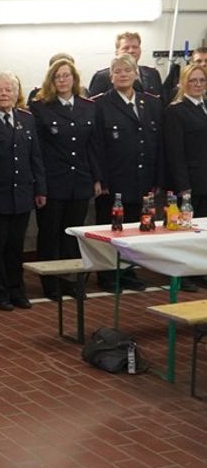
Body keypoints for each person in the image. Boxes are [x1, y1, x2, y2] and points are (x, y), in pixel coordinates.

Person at [29, 58, 102, 300]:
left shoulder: (88, 106)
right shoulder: (40, 107)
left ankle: (70, 281)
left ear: (74, 78)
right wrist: (40, 185)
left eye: (66, 75)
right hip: (53, 181)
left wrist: (97, 178)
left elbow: (93, 146)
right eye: (57, 76)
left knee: (72, 234)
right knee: (50, 233)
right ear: (51, 80)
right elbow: (36, 151)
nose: (62, 80)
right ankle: (51, 284)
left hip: (79, 179)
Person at [92, 54, 163, 292]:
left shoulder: (151, 103)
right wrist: (101, 179)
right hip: (114, 181)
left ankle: (128, 271)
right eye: (117, 71)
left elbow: (157, 144)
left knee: (134, 228)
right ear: (110, 77)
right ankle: (108, 274)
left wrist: (157, 179)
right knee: (111, 228)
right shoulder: (100, 104)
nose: (122, 75)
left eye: (127, 70)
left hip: (142, 180)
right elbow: (97, 146)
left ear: (136, 74)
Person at [0, 73, 47, 310]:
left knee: (15, 247)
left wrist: (40, 188)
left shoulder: (26, 119)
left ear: (16, 94)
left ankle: (16, 290)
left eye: (9, 90)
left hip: (23, 193)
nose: (5, 94)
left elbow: (35, 156)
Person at [162, 63, 207, 288]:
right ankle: (181, 276)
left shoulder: (204, 107)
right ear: (184, 84)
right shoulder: (176, 111)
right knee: (183, 231)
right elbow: (175, 152)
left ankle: (199, 270)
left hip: (205, 180)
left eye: (202, 80)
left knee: (202, 231)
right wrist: (183, 186)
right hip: (188, 181)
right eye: (193, 81)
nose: (198, 85)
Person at [88, 31, 165, 102]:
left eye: (135, 47)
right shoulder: (102, 77)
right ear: (117, 52)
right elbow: (94, 107)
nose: (131, 51)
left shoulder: (152, 74)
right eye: (126, 48)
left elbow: (160, 102)